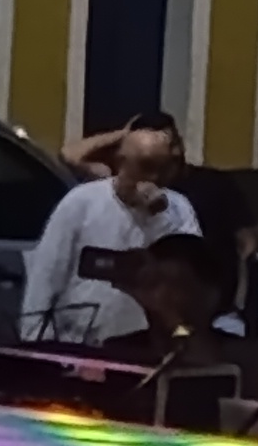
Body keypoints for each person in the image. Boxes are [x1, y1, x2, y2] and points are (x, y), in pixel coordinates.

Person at [23, 116, 205, 347]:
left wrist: (159, 217)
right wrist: (36, 340)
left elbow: (187, 281)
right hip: (83, 341)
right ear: (121, 163)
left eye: (162, 169)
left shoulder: (179, 209)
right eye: (146, 167)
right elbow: (47, 274)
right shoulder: (81, 202)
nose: (154, 178)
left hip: (148, 342)